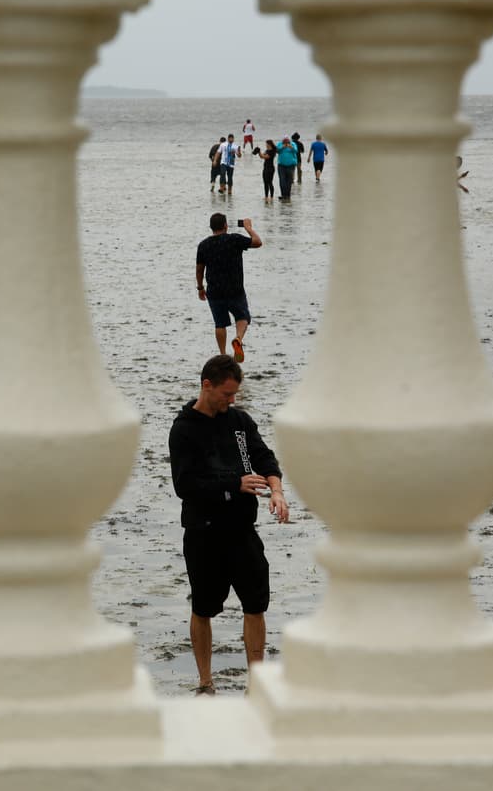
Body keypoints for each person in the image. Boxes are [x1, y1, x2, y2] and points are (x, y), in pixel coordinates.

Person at [167, 354, 289, 696]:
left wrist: (276, 490)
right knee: (203, 607)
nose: (232, 400)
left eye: (235, 394)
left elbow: (263, 456)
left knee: (256, 604)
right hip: (203, 532)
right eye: (227, 394)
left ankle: (257, 682)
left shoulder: (239, 421)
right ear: (207, 385)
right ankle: (206, 682)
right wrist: (233, 482)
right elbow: (185, 485)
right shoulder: (183, 429)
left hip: (241, 530)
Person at [196, 212, 262, 363]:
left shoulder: (204, 245)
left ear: (211, 228)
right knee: (243, 317)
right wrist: (248, 228)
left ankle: (223, 354)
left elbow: (199, 269)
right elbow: (258, 242)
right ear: (225, 225)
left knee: (220, 323)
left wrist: (200, 288)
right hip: (235, 288)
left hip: (214, 290)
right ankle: (238, 338)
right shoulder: (234, 239)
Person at [275, 136, 298, 202]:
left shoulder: (293, 144)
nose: (286, 142)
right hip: (281, 165)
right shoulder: (280, 144)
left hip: (291, 165)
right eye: (284, 141)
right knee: (282, 180)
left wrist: (290, 146)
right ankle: (283, 195)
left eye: (287, 141)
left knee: (289, 181)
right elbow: (277, 151)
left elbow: (296, 151)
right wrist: (283, 147)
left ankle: (287, 195)